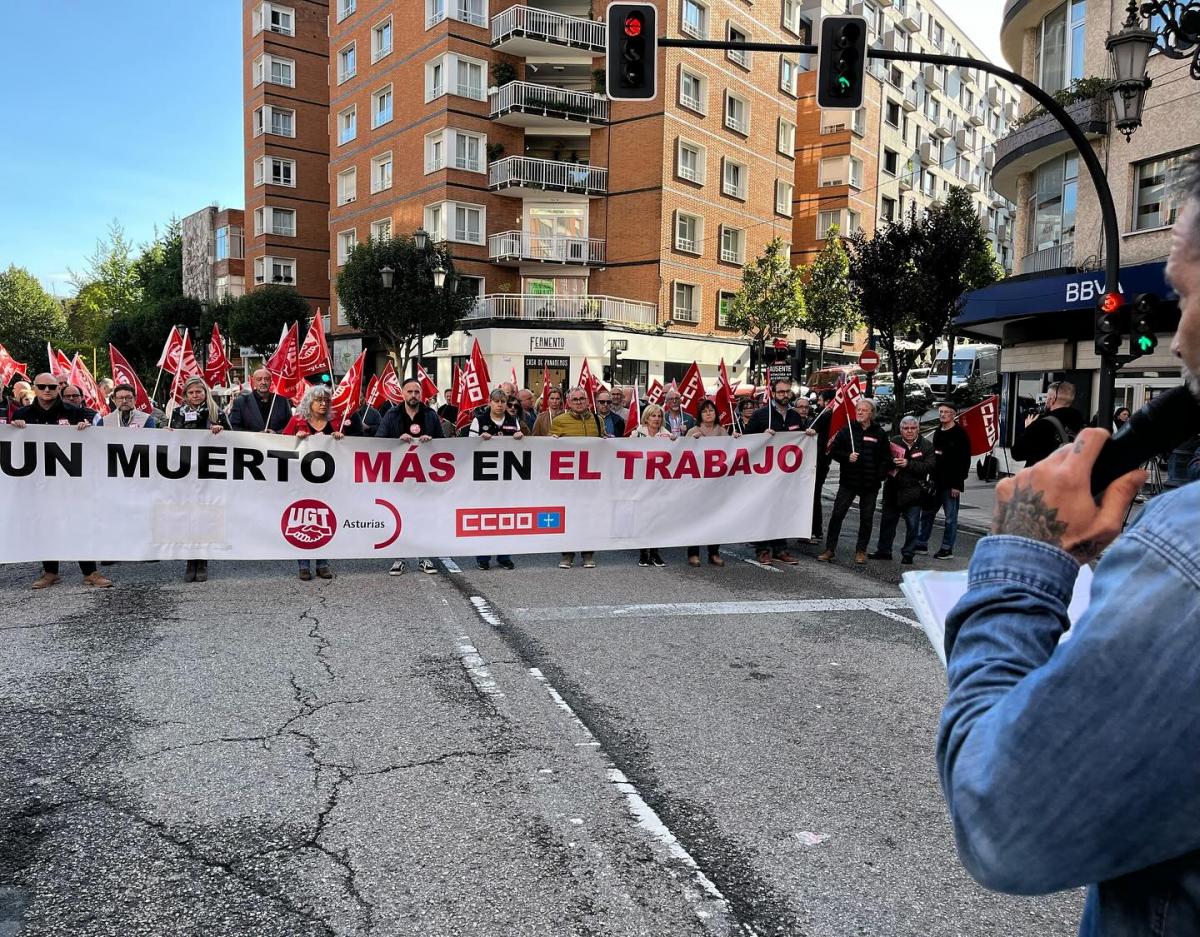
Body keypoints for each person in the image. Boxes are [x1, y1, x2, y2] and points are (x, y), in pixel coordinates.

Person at [935, 159, 1200, 933]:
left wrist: (1024, 554)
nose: (1177, 332)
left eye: (1186, 294)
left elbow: (1002, 814)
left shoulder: (1186, 561)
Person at [13, 373, 111, 589]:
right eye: (41, 386)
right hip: (39, 481)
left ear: (59, 388)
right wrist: (15, 428)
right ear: (35, 388)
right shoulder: (22, 413)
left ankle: (90, 572)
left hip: (71, 481)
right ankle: (50, 572)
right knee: (46, 524)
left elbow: (95, 441)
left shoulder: (75, 412)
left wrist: (86, 430)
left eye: (51, 387)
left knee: (78, 522)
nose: (46, 390)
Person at [282, 384, 355, 581]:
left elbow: (349, 450)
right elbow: (280, 446)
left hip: (328, 482)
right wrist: (295, 439)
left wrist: (341, 439)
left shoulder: (336, 422)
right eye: (318, 400)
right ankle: (303, 565)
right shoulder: (297, 421)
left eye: (326, 401)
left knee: (325, 519)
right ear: (309, 403)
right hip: (302, 481)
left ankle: (323, 563)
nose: (323, 404)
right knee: (304, 520)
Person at [377, 377, 443, 576]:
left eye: (417, 392)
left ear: (421, 394)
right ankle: (399, 557)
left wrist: (431, 441)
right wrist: (396, 441)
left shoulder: (430, 415)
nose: (413, 395)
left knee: (423, 516)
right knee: (399, 516)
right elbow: (379, 441)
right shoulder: (392, 414)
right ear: (403, 393)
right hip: (399, 476)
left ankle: (424, 557)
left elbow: (444, 443)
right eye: (410, 392)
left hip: (424, 477)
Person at [167, 377, 228, 582]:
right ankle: (189, 561)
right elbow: (172, 438)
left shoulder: (216, 412)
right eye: (191, 393)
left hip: (208, 472)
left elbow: (233, 437)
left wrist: (221, 431)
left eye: (198, 392)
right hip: (184, 471)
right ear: (185, 395)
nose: (195, 396)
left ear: (205, 393)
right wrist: (167, 433)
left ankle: (202, 561)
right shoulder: (177, 412)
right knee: (186, 515)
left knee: (205, 514)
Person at [819, 398, 892, 565]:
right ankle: (830, 549)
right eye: (858, 409)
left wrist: (878, 476)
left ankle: (861, 550)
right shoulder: (847, 430)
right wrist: (847, 457)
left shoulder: (879, 433)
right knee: (837, 515)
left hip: (870, 484)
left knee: (866, 518)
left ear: (872, 414)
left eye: (864, 410)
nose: (859, 412)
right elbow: (833, 450)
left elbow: (886, 458)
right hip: (848, 482)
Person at [745, 380, 808, 564]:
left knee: (782, 510)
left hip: (785, 475)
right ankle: (763, 549)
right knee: (764, 510)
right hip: (763, 474)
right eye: (781, 392)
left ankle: (780, 548)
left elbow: (800, 439)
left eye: (787, 392)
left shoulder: (795, 416)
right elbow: (746, 440)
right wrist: (762, 435)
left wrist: (807, 436)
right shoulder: (761, 415)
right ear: (773, 393)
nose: (785, 395)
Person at [468, 388, 525, 571]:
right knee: (485, 517)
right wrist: (479, 439)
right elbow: (468, 445)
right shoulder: (479, 420)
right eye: (496, 401)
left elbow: (520, 448)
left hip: (507, 478)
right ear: (489, 402)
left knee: (506, 517)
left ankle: (504, 556)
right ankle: (483, 557)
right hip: (485, 478)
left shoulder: (512, 420)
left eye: (503, 401)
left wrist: (519, 437)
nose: (500, 405)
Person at [868, 416, 936, 565]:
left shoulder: (926, 445)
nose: (910, 431)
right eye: (906, 428)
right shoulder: (893, 442)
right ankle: (884, 551)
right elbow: (882, 461)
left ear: (918, 429)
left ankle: (908, 553)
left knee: (912, 524)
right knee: (887, 523)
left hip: (914, 492)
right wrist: (891, 463)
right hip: (893, 489)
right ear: (901, 430)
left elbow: (929, 466)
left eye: (913, 428)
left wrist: (908, 464)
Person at [553, 387, 602, 568]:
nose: (579, 402)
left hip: (591, 479)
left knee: (589, 516)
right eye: (575, 399)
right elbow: (550, 447)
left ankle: (588, 554)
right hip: (567, 480)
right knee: (569, 516)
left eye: (582, 399)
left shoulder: (598, 420)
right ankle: (567, 554)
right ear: (568, 402)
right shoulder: (559, 421)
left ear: (588, 401)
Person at [630, 404, 675, 567]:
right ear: (646, 418)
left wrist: (675, 442)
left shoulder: (667, 435)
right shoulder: (637, 433)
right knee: (643, 518)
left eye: (659, 416)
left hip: (659, 484)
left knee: (657, 518)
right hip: (641, 483)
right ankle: (643, 553)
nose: (656, 419)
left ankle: (655, 553)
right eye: (653, 416)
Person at [685, 399, 728, 566]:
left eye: (711, 410)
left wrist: (737, 439)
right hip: (697, 484)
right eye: (705, 411)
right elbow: (683, 453)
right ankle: (693, 553)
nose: (709, 413)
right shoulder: (693, 431)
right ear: (700, 415)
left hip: (716, 484)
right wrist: (691, 441)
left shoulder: (723, 431)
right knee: (695, 518)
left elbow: (733, 451)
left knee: (715, 518)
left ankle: (714, 552)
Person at [1011, 380, 1086, 467]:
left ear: (1052, 399)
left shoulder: (1042, 425)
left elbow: (1017, 453)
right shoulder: (1081, 423)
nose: (1045, 401)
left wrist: (1028, 428)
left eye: (1047, 397)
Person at [810, 388, 837, 543]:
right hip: (823, 460)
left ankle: (815, 530)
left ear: (827, 401)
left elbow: (813, 430)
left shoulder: (826, 415)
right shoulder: (831, 416)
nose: (817, 403)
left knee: (813, 495)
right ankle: (815, 530)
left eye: (819, 400)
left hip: (818, 461)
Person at [228, 367, 292, 433]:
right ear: (253, 382)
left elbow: (291, 426)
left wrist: (276, 433)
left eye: (266, 379)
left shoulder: (282, 401)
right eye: (259, 379)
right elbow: (234, 427)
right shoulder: (241, 402)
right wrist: (256, 436)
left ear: (271, 381)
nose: (263, 382)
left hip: (276, 441)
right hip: (250, 442)